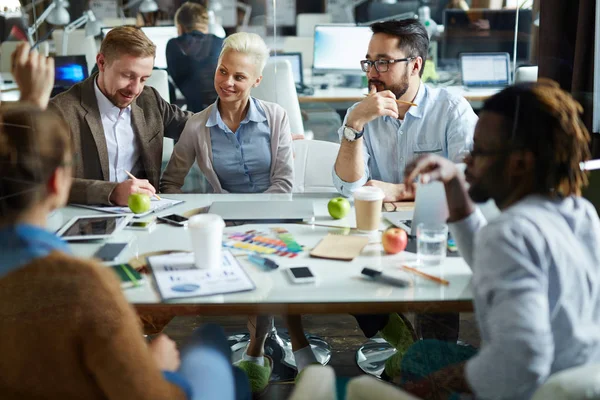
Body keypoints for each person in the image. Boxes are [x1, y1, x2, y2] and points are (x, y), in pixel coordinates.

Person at [0, 103, 251, 399]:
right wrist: (158, 364)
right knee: (213, 342)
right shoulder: (81, 285)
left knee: (225, 364)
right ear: (56, 182)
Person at [398, 80, 600, 399]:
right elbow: (491, 259)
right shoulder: (581, 213)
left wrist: (447, 379)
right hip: (583, 376)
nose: (467, 161)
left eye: (479, 151)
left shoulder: (508, 232)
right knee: (423, 355)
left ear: (519, 163)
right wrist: (454, 185)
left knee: (416, 362)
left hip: (531, 389)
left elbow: (523, 359)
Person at [332, 18, 477, 202]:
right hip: (378, 224)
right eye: (369, 63)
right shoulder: (359, 114)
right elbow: (349, 188)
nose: (372, 73)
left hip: (436, 222)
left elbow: (469, 182)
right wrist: (353, 125)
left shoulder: (452, 110)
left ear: (415, 66)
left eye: (383, 62)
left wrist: (402, 191)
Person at [49, 26, 191, 206]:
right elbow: (45, 181)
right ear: (101, 62)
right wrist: (112, 192)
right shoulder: (61, 111)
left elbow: (195, 126)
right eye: (127, 76)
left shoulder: (149, 99)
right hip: (85, 219)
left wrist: (234, 109)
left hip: (144, 216)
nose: (136, 89)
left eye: (143, 79)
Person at [160, 32, 293, 194]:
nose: (227, 82)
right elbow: (169, 183)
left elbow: (284, 184)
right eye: (222, 71)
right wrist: (189, 212)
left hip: (275, 213)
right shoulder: (196, 125)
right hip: (222, 216)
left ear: (257, 80)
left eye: (239, 77)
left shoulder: (276, 117)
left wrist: (257, 215)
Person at [167, 1, 224, 112]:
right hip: (223, 111)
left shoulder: (173, 45)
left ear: (180, 27)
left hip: (194, 113)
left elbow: (180, 81)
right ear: (205, 25)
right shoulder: (221, 43)